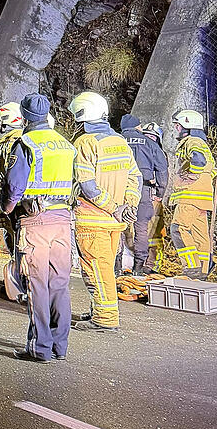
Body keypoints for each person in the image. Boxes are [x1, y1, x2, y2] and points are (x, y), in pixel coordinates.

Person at [1, 94, 76, 363]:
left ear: (24, 115)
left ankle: (40, 348)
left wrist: (7, 208)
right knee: (59, 285)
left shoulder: (26, 144)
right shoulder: (66, 145)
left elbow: (14, 186)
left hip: (35, 222)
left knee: (36, 285)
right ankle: (60, 347)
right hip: (63, 220)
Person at [68, 92, 140, 333]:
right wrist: (129, 205)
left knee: (96, 269)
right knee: (105, 267)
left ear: (83, 114)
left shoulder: (85, 143)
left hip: (93, 219)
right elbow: (135, 177)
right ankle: (99, 309)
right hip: (114, 223)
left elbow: (88, 186)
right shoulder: (119, 141)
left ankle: (105, 319)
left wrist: (114, 207)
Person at [116, 114, 168, 275]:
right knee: (141, 228)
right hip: (143, 190)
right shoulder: (151, 144)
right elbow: (162, 169)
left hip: (118, 189)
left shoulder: (115, 140)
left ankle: (116, 266)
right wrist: (160, 191)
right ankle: (138, 267)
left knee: (117, 227)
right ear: (139, 127)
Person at [168, 110, 216, 279]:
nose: (176, 128)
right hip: (201, 198)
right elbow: (212, 169)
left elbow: (199, 160)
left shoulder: (192, 141)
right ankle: (202, 271)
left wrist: (193, 175)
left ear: (186, 126)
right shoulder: (202, 142)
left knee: (178, 228)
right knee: (199, 234)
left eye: (178, 125)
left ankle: (192, 266)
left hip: (190, 196)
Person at [0, 102, 25, 253]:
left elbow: (5, 175)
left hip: (11, 199)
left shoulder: (11, 141)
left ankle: (19, 273)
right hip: (17, 198)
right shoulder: (22, 138)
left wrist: (0, 203)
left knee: (14, 239)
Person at [140, 122, 167, 272]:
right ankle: (144, 265)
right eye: (147, 136)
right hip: (148, 197)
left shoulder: (140, 151)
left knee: (154, 233)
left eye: (152, 136)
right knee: (145, 232)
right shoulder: (155, 152)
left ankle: (151, 265)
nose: (149, 139)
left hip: (150, 197)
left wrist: (159, 194)